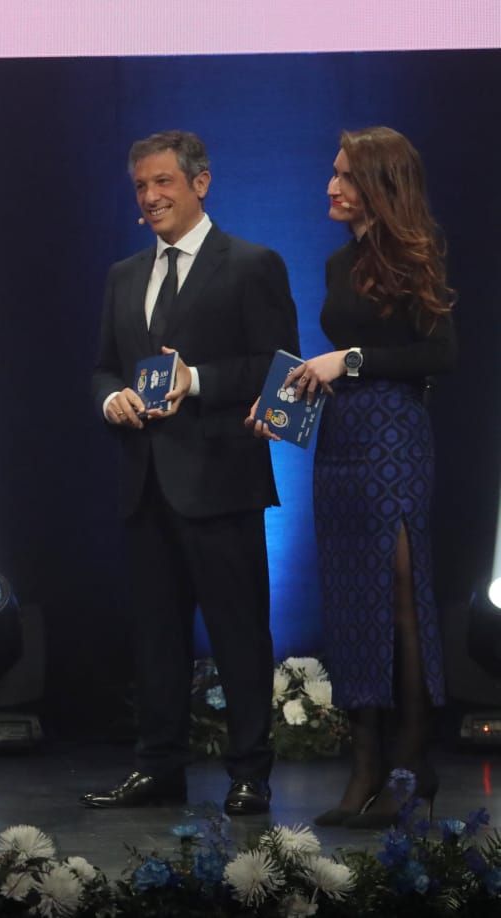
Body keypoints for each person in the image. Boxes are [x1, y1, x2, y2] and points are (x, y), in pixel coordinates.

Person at [86, 130, 299, 815]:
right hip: (144, 482)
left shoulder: (250, 263)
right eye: (141, 187)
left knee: (238, 633)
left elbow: (281, 367)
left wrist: (198, 379)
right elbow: (103, 366)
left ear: (200, 184)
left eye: (163, 184)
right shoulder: (124, 275)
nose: (150, 198)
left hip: (220, 478)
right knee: (155, 637)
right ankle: (159, 768)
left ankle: (248, 773)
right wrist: (109, 397)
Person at [249, 126, 456, 828]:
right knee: (352, 603)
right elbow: (343, 359)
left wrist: (352, 361)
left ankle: (412, 762)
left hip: (395, 437)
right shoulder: (342, 264)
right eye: (331, 173)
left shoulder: (415, 251)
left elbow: (438, 354)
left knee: (399, 602)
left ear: (379, 184)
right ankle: (364, 765)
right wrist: (296, 388)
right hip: (341, 439)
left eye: (343, 176)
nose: (330, 186)